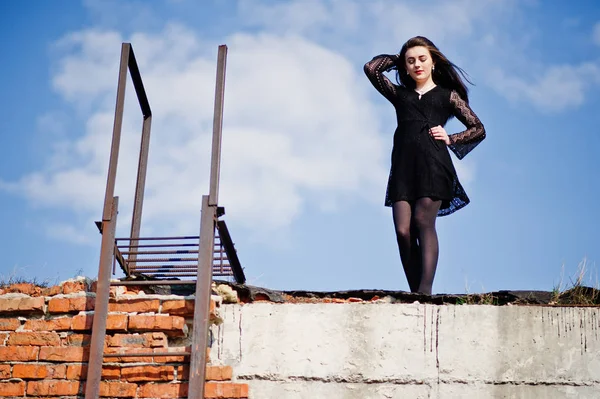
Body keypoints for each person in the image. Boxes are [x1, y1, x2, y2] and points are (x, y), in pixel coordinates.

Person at [364, 36, 486, 295]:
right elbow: (371, 68)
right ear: (405, 67)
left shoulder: (447, 95)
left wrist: (451, 138)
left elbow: (478, 129)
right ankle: (414, 294)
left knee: (423, 221)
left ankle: (424, 293)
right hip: (403, 168)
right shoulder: (399, 95)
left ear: (433, 63)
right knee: (402, 230)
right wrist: (400, 58)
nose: (417, 64)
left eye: (422, 59)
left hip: (434, 163)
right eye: (411, 61)